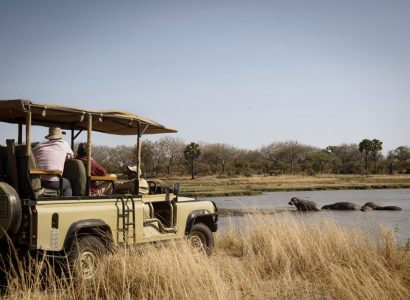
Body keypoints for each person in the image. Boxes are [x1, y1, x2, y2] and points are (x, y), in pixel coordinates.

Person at [32, 127, 74, 196]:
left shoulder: (39, 146)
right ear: (60, 137)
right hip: (53, 181)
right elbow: (71, 156)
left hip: (38, 181)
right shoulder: (64, 144)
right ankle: (65, 204)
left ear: (49, 137)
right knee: (68, 184)